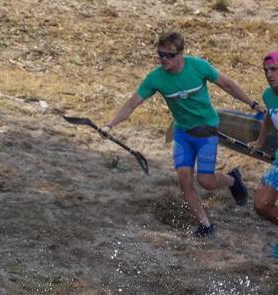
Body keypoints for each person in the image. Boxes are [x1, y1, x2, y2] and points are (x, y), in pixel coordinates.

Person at [106, 31, 255, 237]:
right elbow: (132, 103)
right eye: (160, 55)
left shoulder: (198, 66)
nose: (164, 59)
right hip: (183, 133)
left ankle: (232, 180)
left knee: (206, 182)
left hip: (207, 131)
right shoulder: (156, 78)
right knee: (184, 180)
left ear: (180, 54)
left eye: (169, 55)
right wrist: (109, 126)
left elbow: (227, 85)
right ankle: (205, 225)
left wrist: (252, 104)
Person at [250, 52, 278, 231]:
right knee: (261, 203)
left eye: (274, 69)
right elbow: (270, 115)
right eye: (265, 70)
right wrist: (260, 141)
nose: (269, 75)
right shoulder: (268, 95)